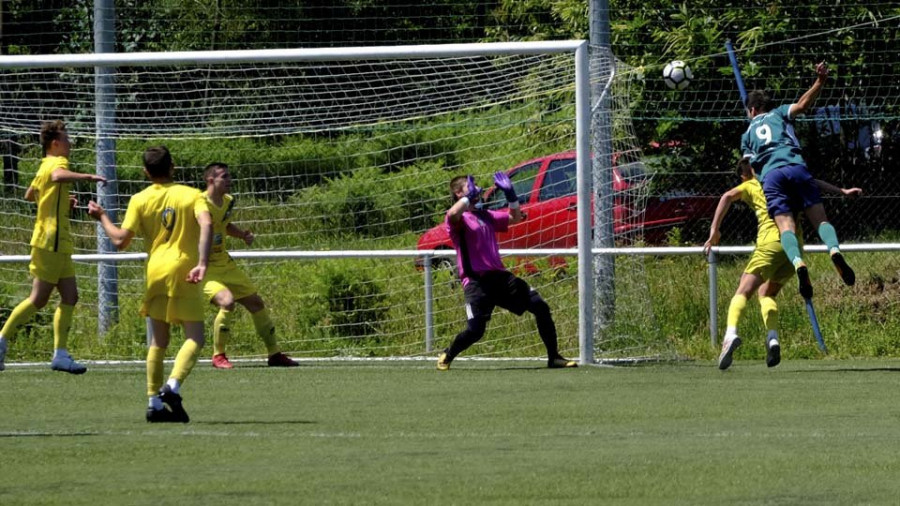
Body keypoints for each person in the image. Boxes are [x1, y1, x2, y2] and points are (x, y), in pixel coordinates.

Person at [88, 146, 212, 423]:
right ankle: (173, 386)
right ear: (173, 167)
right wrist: (202, 262)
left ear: (146, 172)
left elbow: (120, 241)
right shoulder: (193, 195)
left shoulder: (139, 199)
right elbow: (206, 224)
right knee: (195, 337)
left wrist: (102, 216)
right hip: (183, 269)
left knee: (158, 341)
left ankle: (153, 403)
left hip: (155, 270)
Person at [705, 159, 861, 370]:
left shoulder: (751, 184)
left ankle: (730, 335)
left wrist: (715, 230)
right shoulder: (782, 179)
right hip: (794, 247)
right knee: (766, 293)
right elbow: (812, 181)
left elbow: (726, 197)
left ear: (744, 175)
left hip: (770, 243)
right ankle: (773, 339)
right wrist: (841, 191)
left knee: (742, 290)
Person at [436, 173, 576, 370]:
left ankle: (554, 357)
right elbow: (452, 214)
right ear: (459, 193)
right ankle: (448, 354)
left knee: (540, 306)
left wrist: (511, 194)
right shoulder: (459, 219)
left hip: (500, 278)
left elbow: (515, 217)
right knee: (476, 330)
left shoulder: (486, 216)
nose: (478, 189)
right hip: (477, 282)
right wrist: (468, 198)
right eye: (471, 186)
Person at [741, 61, 855, 301]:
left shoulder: (748, 133)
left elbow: (749, 167)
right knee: (821, 221)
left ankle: (798, 263)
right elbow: (803, 104)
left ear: (752, 110)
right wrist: (820, 81)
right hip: (796, 167)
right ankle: (834, 250)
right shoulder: (781, 112)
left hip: (772, 177)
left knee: (786, 228)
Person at [0, 120, 105, 373]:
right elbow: (57, 177)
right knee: (38, 298)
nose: (70, 143)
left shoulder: (43, 164)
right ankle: (2, 340)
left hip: (58, 242)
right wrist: (89, 176)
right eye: (67, 139)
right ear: (55, 143)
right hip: (51, 241)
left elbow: (30, 194)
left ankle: (60, 354)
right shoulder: (58, 164)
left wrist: (57, 201)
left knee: (71, 296)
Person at [201, 162, 297, 369]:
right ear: (210, 180)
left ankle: (274, 354)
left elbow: (223, 226)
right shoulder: (198, 203)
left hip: (225, 264)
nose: (229, 181)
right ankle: (218, 356)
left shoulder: (227, 201)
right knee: (227, 301)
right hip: (204, 268)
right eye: (224, 177)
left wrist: (241, 235)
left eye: (229, 176)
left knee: (256, 303)